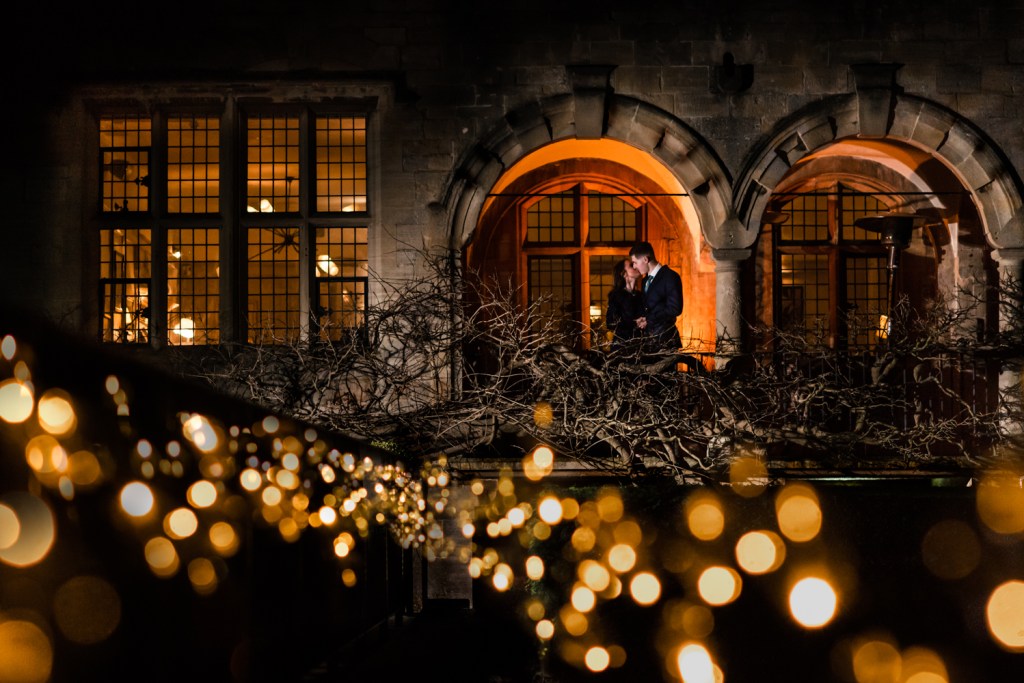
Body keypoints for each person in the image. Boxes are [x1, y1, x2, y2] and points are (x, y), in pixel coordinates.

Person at [629, 241, 683, 353]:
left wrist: (649, 319)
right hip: (648, 342)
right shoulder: (645, 281)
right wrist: (643, 318)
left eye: (635, 262)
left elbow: (675, 309)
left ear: (645, 259)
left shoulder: (670, 277)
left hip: (665, 341)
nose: (634, 266)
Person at [606, 258, 644, 352]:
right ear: (624, 274)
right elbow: (610, 323)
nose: (635, 266)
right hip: (622, 347)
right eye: (631, 265)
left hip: (640, 347)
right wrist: (635, 323)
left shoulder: (641, 295)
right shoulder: (616, 295)